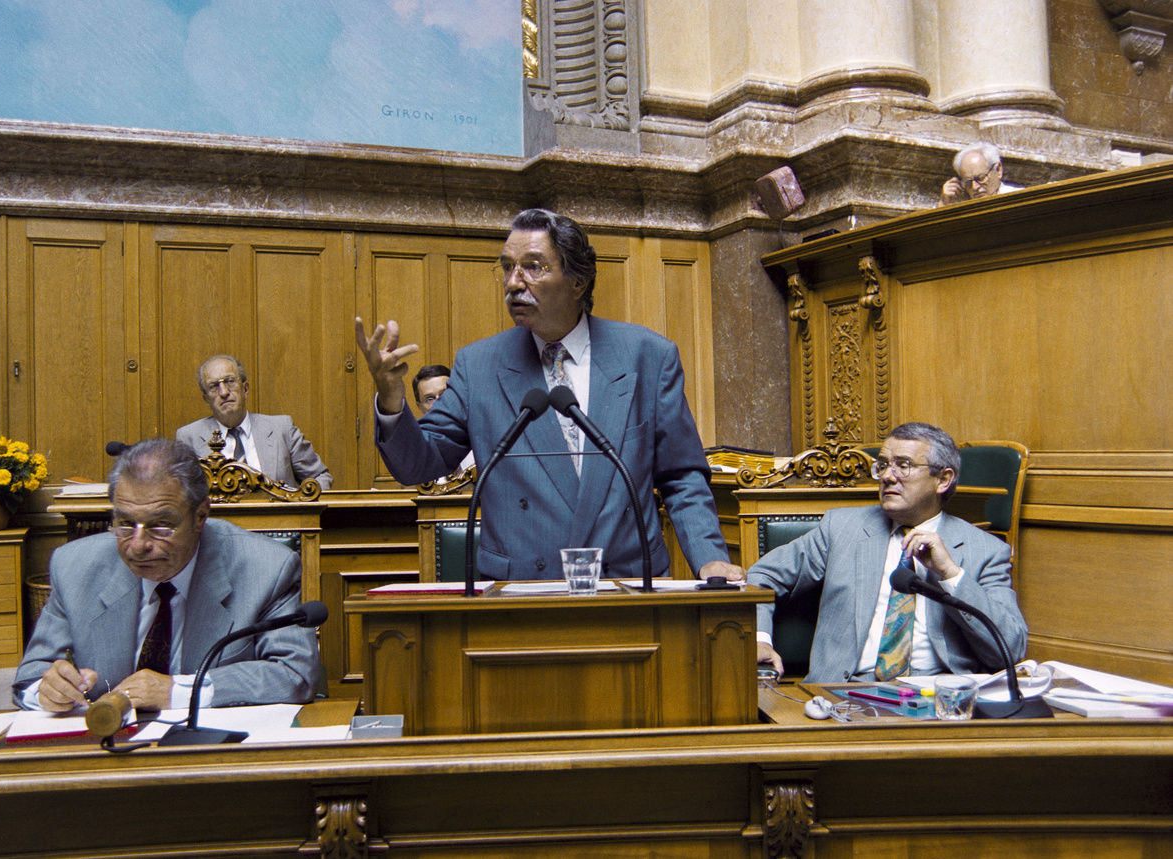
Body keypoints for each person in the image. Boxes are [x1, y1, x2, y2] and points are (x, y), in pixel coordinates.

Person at [355, 208, 744, 582]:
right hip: (522, 595)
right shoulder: (479, 365)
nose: (513, 283)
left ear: (578, 281)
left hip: (626, 588)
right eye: (508, 267)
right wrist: (390, 398)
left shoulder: (647, 356)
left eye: (533, 266)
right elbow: (420, 464)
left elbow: (681, 476)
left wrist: (709, 557)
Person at [13, 439, 324, 711]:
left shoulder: (266, 567)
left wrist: (179, 692)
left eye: (161, 525)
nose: (137, 545)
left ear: (201, 516)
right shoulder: (74, 566)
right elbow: (29, 677)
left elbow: (294, 673)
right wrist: (47, 690)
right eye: (124, 523)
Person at [747, 422, 1027, 683]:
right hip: (842, 694)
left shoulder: (986, 550)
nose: (887, 476)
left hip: (938, 697)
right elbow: (762, 576)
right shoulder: (841, 529)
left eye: (903, 465)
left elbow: (1010, 650)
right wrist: (761, 638)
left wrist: (951, 575)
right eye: (882, 465)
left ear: (943, 479)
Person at [176, 354, 332, 491]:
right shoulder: (189, 437)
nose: (223, 392)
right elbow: (183, 493)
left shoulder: (281, 429)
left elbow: (320, 476)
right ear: (206, 399)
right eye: (214, 387)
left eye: (230, 381)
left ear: (245, 389)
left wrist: (301, 511)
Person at [413, 363, 475, 478]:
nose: (439, 403)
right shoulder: (417, 450)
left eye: (444, 394)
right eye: (429, 399)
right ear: (420, 406)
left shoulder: (482, 438)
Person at [940, 142, 1022, 205]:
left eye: (981, 178)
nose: (975, 187)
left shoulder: (1019, 199)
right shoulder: (962, 207)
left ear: (998, 170)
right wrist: (943, 202)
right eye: (968, 182)